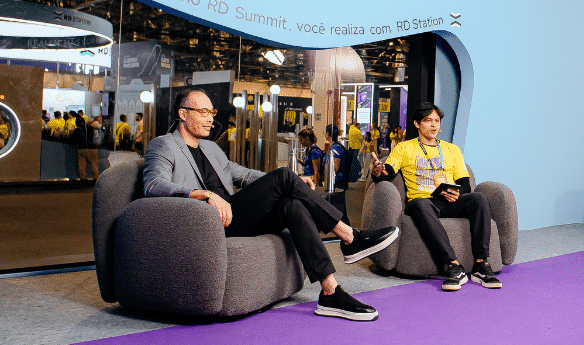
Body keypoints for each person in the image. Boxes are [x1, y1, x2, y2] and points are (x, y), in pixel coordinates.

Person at [144, 88, 400, 321]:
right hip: (207, 222)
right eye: (203, 112)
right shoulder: (164, 144)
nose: (210, 118)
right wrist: (203, 194)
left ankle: (330, 291)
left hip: (235, 216)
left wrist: (295, 181)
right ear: (183, 114)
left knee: (292, 205)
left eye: (212, 112)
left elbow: (245, 175)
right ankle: (349, 236)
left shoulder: (211, 148)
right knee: (285, 178)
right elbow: (153, 184)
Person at [372, 102, 500, 291]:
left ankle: (481, 264)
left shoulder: (452, 149)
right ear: (417, 123)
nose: (433, 125)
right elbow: (387, 172)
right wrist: (378, 171)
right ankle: (453, 265)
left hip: (449, 202)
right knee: (420, 204)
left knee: (479, 198)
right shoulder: (404, 148)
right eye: (428, 120)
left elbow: (465, 183)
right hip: (422, 203)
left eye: (437, 121)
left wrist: (455, 193)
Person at [323, 124, 347, 190]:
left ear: (328, 133)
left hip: (336, 181)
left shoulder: (335, 148)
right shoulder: (334, 146)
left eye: (325, 132)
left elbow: (335, 167)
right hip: (334, 180)